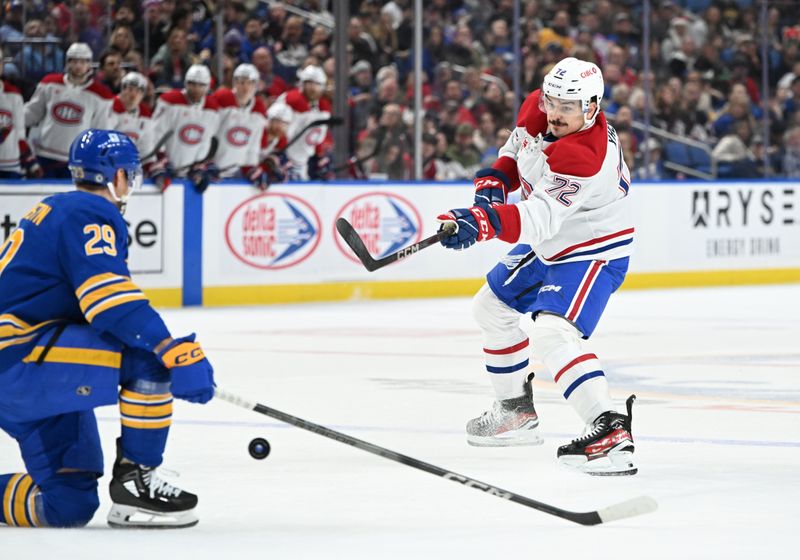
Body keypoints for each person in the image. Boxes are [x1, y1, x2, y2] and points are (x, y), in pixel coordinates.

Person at [0, 129, 215, 528]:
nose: (131, 183)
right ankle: (137, 481)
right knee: (147, 357)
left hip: (26, 363)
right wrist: (169, 347)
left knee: (68, 505)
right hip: (20, 357)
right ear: (115, 176)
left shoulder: (59, 208)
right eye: (129, 174)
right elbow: (107, 301)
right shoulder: (90, 212)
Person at [436, 57, 638, 476]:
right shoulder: (539, 107)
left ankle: (608, 429)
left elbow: (538, 217)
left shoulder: (586, 154)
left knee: (552, 331)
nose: (556, 113)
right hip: (554, 241)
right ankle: (514, 412)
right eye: (552, 101)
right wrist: (493, 182)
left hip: (592, 248)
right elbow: (517, 149)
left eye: (569, 106)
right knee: (490, 306)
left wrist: (484, 222)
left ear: (592, 107)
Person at [24, 42, 114, 178]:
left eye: (83, 61)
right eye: (74, 61)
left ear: (89, 64)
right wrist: (13, 117)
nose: (78, 66)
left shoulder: (101, 95)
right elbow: (32, 113)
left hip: (77, 160)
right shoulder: (49, 83)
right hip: (45, 155)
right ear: (67, 62)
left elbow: (99, 131)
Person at [151, 64, 221, 191]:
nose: (196, 89)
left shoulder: (213, 109)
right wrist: (161, 160)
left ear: (207, 87)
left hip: (190, 174)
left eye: (201, 85)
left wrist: (200, 165)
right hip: (165, 169)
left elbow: (206, 140)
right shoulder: (169, 101)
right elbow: (155, 134)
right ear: (185, 83)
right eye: (192, 84)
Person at [270, 65, 332, 180]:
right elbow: (277, 131)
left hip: (302, 162)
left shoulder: (322, 107)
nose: (313, 88)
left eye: (317, 84)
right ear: (302, 84)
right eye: (309, 83)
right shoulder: (292, 100)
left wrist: (319, 157)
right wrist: (280, 155)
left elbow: (315, 134)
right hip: (281, 158)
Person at [211, 63, 269, 183]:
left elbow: (254, 144)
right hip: (214, 170)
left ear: (256, 85)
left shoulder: (258, 109)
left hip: (240, 174)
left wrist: (251, 168)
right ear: (235, 83)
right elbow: (208, 133)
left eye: (250, 83)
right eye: (241, 82)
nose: (245, 87)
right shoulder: (222, 99)